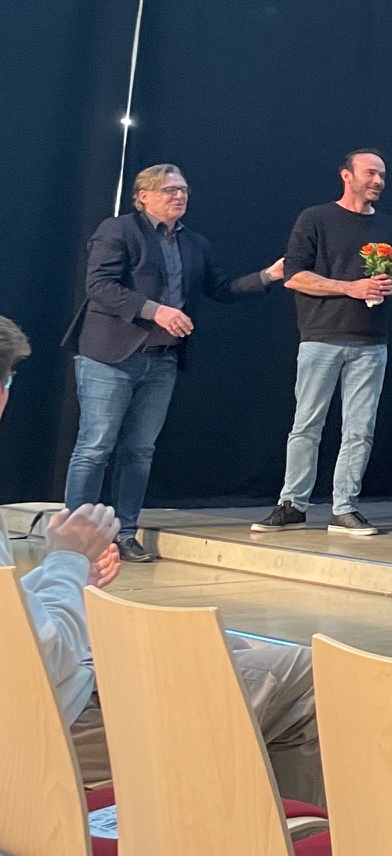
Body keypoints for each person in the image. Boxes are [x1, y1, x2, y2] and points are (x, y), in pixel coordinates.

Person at [0, 316, 323, 809]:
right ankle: (274, 848)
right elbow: (39, 663)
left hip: (43, 708)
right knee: (311, 675)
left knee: (226, 646)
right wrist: (66, 561)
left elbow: (14, 624)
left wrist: (66, 572)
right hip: (49, 731)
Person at [61, 164, 284, 560]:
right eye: (169, 190)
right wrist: (156, 311)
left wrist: (267, 275)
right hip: (110, 356)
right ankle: (76, 540)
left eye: (183, 190)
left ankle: (125, 533)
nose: (179, 196)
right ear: (143, 196)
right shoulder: (118, 230)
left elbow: (220, 289)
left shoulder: (195, 243)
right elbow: (99, 286)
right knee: (95, 447)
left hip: (161, 361)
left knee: (139, 451)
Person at [254, 151, 392, 537]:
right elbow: (294, 276)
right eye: (370, 173)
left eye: (382, 175)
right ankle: (293, 504)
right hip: (321, 337)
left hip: (371, 341)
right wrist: (350, 287)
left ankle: (345, 508)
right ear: (346, 175)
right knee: (307, 425)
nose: (378, 181)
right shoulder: (316, 218)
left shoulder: (389, 226)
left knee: (360, 428)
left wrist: (390, 285)